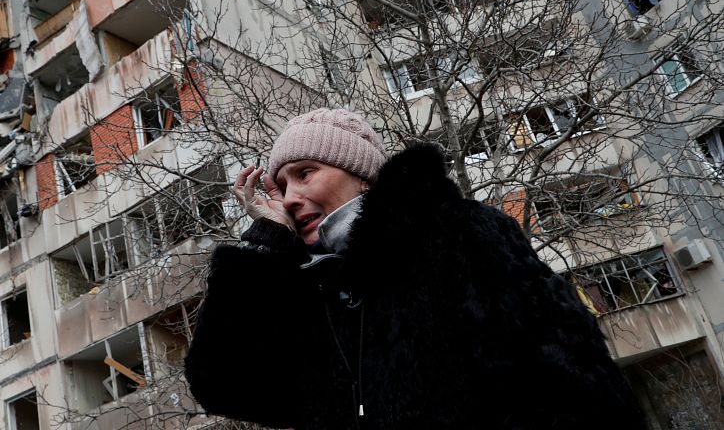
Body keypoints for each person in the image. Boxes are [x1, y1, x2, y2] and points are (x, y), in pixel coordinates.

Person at [185, 108, 645, 429]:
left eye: (306, 173)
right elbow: (224, 386)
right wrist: (265, 247)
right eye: (282, 184)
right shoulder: (306, 288)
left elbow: (573, 380)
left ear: (361, 174)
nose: (289, 197)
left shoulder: (456, 233)